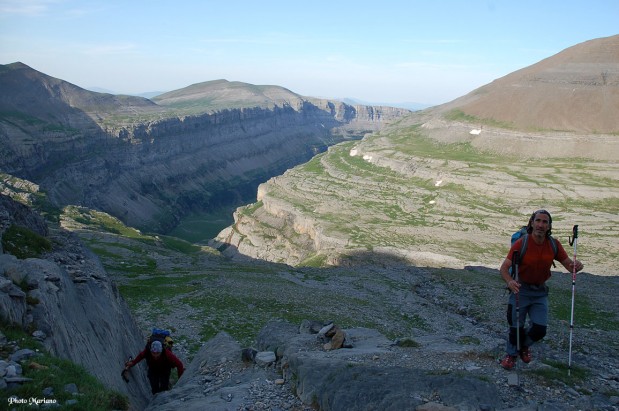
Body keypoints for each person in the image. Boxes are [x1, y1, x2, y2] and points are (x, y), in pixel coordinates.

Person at [499, 209, 584, 370]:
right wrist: (510, 282)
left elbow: (568, 265)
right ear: (532, 223)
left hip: (539, 292)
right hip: (520, 289)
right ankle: (510, 355)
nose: (541, 225)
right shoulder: (521, 243)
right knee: (515, 326)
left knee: (540, 329)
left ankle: (522, 347)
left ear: (549, 226)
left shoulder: (553, 244)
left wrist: (576, 266)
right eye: (538, 221)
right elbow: (504, 268)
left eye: (545, 222)